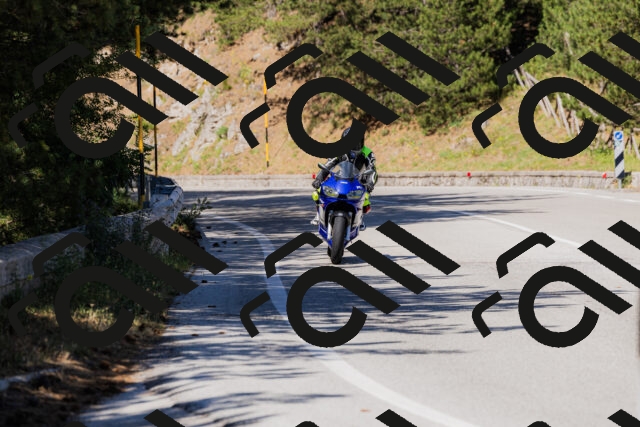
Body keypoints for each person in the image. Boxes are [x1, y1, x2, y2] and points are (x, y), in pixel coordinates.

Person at [310, 127, 378, 229]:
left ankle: (359, 218)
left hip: (358, 178)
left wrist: (369, 184)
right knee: (317, 193)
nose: (353, 146)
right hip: (340, 176)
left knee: (365, 199)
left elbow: (373, 170)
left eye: (356, 143)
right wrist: (319, 179)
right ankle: (319, 215)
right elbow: (328, 165)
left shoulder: (368, 153)